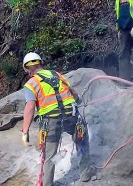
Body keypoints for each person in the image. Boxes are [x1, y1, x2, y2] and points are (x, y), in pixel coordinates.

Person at [20, 52, 95, 185]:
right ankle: (85, 174)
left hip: (51, 120)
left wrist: (25, 132)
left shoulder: (31, 84)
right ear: (41, 63)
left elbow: (30, 107)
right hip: (72, 115)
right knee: (82, 140)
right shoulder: (56, 74)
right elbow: (71, 91)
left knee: (49, 156)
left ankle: (47, 184)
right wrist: (79, 100)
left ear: (27, 69)